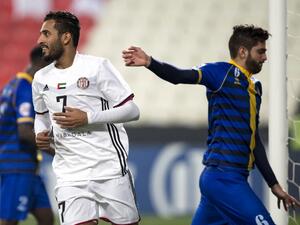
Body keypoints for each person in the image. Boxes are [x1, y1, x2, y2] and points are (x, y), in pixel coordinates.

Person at [122, 25, 300, 225]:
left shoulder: (255, 88)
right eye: (261, 51)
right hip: (223, 179)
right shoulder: (220, 73)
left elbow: (254, 140)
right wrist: (149, 62)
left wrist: (274, 185)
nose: (265, 57)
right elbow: (180, 76)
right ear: (242, 51)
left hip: (230, 178)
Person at [32, 11, 140, 225]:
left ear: (66, 37)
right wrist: (39, 133)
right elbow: (41, 116)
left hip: (108, 169)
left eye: (46, 33)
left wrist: (87, 118)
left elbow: (132, 111)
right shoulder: (41, 78)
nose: (40, 40)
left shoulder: (97, 67)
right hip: (69, 175)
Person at [0, 46, 54, 225]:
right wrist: (56, 150)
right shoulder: (25, 88)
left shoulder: (13, 84)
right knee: (10, 221)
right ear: (42, 63)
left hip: (29, 167)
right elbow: (24, 133)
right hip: (17, 165)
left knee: (46, 218)